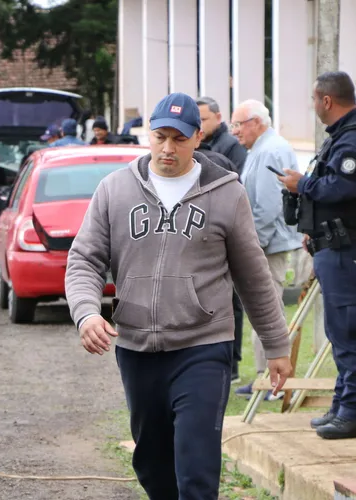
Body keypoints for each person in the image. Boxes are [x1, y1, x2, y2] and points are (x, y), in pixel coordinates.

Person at [65, 92, 293, 499]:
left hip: (203, 344)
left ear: (197, 139)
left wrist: (277, 344)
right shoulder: (115, 190)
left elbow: (253, 274)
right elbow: (84, 260)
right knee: (152, 462)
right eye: (160, 137)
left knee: (196, 463)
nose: (168, 148)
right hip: (137, 348)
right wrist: (86, 313)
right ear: (149, 136)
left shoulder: (226, 193)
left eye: (179, 139)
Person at [277, 71, 356, 440]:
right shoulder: (338, 138)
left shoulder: (351, 139)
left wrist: (301, 184)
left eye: (313, 99)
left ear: (326, 100)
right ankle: (343, 406)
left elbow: (342, 186)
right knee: (338, 333)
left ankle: (351, 412)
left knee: (347, 333)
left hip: (345, 252)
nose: (312, 106)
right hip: (330, 248)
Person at [229, 99, 304, 399]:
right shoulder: (260, 147)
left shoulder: (271, 148)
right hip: (264, 242)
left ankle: (272, 382)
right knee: (260, 309)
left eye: (238, 124)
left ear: (255, 122)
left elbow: (268, 206)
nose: (234, 132)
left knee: (267, 309)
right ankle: (264, 377)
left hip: (267, 245)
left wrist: (253, 245)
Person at [194, 96, 249, 383]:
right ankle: (227, 365)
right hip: (218, 243)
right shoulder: (221, 155)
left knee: (224, 303)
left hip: (215, 240)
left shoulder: (228, 150)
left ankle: (226, 364)